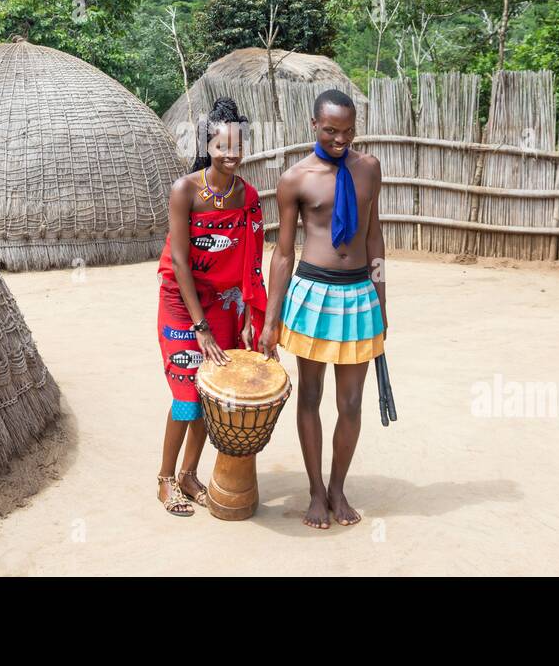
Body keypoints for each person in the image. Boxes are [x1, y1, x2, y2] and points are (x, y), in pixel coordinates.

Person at [259, 89, 387, 529]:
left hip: (358, 296)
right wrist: (271, 320)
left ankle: (338, 487)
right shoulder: (296, 178)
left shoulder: (369, 169)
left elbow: (374, 238)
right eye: (331, 130)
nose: (340, 139)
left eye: (348, 131)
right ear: (314, 124)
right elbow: (283, 252)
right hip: (313, 294)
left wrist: (381, 301)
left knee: (351, 404)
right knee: (310, 396)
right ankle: (315, 490)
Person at [154, 97, 268, 517]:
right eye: (222, 146)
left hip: (223, 305)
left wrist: (246, 317)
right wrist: (200, 327)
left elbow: (250, 260)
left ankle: (188, 474)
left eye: (238, 145)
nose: (231, 154)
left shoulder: (246, 195)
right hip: (182, 306)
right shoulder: (185, 191)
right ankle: (165, 480)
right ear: (208, 145)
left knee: (208, 396)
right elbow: (181, 261)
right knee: (185, 397)